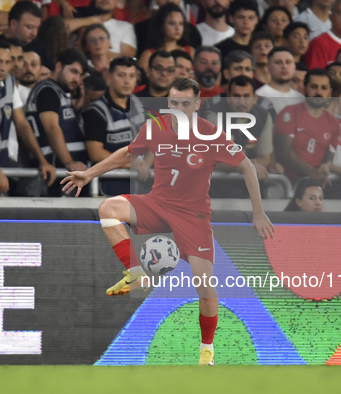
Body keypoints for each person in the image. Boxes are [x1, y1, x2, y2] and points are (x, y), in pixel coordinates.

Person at [60, 77, 275, 366]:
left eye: (185, 104)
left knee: (205, 287)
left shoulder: (212, 135)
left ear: (197, 104)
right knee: (108, 207)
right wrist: (89, 173)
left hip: (193, 215)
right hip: (157, 203)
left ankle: (207, 352)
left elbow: (248, 167)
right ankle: (136, 272)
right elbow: (126, 154)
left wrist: (258, 213)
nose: (178, 108)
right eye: (173, 103)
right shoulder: (155, 127)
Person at [0, 40, 55, 196]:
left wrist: (42, 161)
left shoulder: (9, 83)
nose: (3, 67)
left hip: (2, 172)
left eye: (7, 62)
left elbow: (22, 125)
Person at [274, 69, 341, 191]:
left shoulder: (334, 123)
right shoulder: (289, 113)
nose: (318, 92)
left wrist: (326, 166)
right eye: (314, 87)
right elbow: (284, 151)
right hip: (283, 186)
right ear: (304, 89)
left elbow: (329, 158)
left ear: (330, 93)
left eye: (323, 88)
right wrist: (312, 172)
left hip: (313, 189)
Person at [23, 48, 88, 196]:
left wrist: (76, 111)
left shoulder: (58, 92)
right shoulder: (47, 90)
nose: (77, 79)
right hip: (56, 174)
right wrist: (69, 162)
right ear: (58, 66)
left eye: (80, 75)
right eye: (73, 72)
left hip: (62, 174)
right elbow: (51, 127)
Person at [83, 56, 147, 195]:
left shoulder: (138, 103)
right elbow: (95, 153)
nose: (127, 81)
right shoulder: (95, 111)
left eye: (132, 76)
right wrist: (133, 164)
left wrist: (146, 162)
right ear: (109, 77)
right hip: (107, 189)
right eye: (121, 75)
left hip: (137, 189)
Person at [138, 3, 194, 70]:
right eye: (171, 23)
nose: (177, 28)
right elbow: (141, 78)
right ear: (161, 26)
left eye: (181, 24)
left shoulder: (190, 51)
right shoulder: (148, 54)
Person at [256, 47, 304, 113]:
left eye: (288, 62)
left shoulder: (301, 98)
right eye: (278, 62)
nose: (284, 66)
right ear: (268, 68)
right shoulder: (259, 96)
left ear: (294, 67)